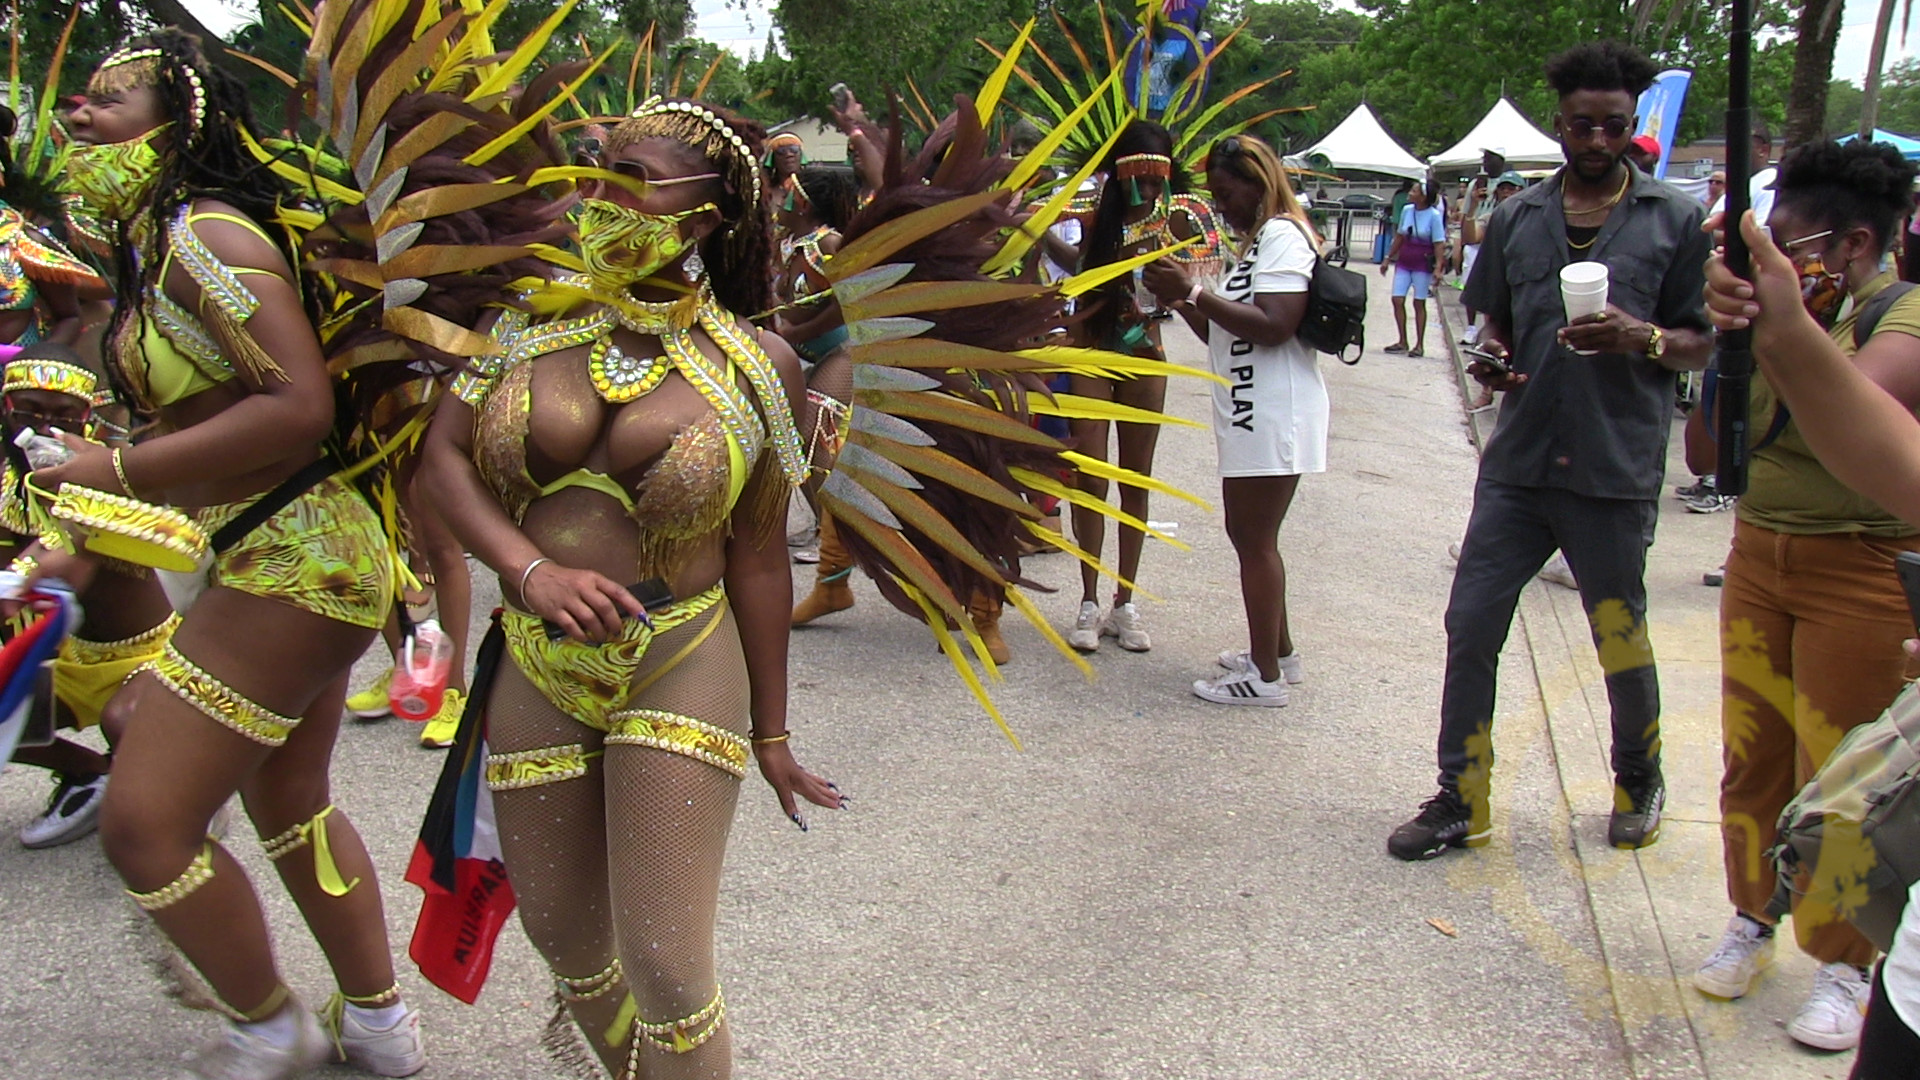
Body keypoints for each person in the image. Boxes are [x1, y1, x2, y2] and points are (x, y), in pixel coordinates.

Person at [420, 96, 843, 1077]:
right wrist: (524, 570)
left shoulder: (760, 365)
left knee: (664, 960)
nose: (600, 197)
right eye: (597, 172)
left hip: (681, 656)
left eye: (634, 180)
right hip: (538, 661)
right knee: (566, 941)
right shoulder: (523, 321)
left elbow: (760, 553)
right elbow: (441, 459)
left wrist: (773, 735)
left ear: (705, 217)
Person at [39, 30, 427, 1078]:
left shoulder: (204, 234)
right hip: (283, 553)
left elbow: (296, 408)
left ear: (179, 124)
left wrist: (116, 472)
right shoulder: (155, 243)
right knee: (286, 798)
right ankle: (380, 1027)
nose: (79, 112)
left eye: (110, 100)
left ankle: (271, 1024)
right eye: (77, 98)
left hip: (297, 560)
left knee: (144, 821)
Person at [1386, 40, 1713, 861]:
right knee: (1471, 624)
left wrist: (1644, 338)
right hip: (1520, 464)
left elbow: (1700, 344)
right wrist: (1494, 356)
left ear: (1630, 125)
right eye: (1582, 126)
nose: (1597, 142)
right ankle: (1461, 797)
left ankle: (1640, 777)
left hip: (1611, 468)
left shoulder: (1672, 220)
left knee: (1618, 630)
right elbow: (1489, 321)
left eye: (1614, 126)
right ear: (1559, 124)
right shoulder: (1518, 218)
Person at [1688, 139, 1920, 1052]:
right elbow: (1709, 459)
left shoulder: (1900, 319)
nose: (1766, 266)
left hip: (1859, 570)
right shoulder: (1783, 319)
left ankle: (1846, 960)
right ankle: (1752, 914)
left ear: (1850, 244)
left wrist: (1781, 332)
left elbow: (1844, 431)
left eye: (1783, 247)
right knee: (1754, 756)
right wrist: (1732, 345)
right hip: (1761, 555)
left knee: (1842, 777)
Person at [1143, 134, 1318, 706]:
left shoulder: (1285, 236)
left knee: (1253, 538)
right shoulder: (1261, 242)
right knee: (1254, 537)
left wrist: (1195, 288)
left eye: (1226, 193)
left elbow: (1274, 324)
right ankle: (1278, 654)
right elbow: (1226, 332)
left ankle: (1262, 679)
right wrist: (1179, 298)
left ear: (1257, 181)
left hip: (1272, 412)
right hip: (1250, 409)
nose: (1221, 207)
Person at [1, 346, 177, 849]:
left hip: (148, 658)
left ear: (87, 419)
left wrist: (15, 581)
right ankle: (88, 774)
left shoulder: (100, 478)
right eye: (29, 408)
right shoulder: (8, 480)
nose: (42, 425)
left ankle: (177, 807)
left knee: (126, 724)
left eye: (62, 415)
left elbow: (67, 560)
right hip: (74, 659)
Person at [1062, 119, 1224, 654]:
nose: (1150, 191)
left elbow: (1190, 293)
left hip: (1144, 356)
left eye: (1159, 180)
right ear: (1118, 175)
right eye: (1141, 179)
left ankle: (1123, 601)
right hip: (1089, 352)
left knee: (1137, 479)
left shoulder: (1175, 227)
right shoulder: (1088, 223)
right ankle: (1087, 600)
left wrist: (1180, 289)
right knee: (1090, 475)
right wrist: (1036, 229)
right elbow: (1072, 270)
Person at [1380, 179, 1444, 357]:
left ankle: (1419, 344)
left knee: (1419, 302)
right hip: (1405, 261)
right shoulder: (1408, 211)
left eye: (1414, 191)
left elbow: (1439, 243)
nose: (1410, 193)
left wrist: (1438, 267)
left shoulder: (1434, 215)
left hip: (1422, 264)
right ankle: (1402, 340)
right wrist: (1388, 257)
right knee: (1397, 299)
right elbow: (1400, 236)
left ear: (1423, 197)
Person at [1711, 124, 1777, 226]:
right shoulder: (1740, 184)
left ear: (1763, 150)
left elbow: (1761, 232)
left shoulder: (1770, 184)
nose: (1732, 153)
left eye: (1740, 147)